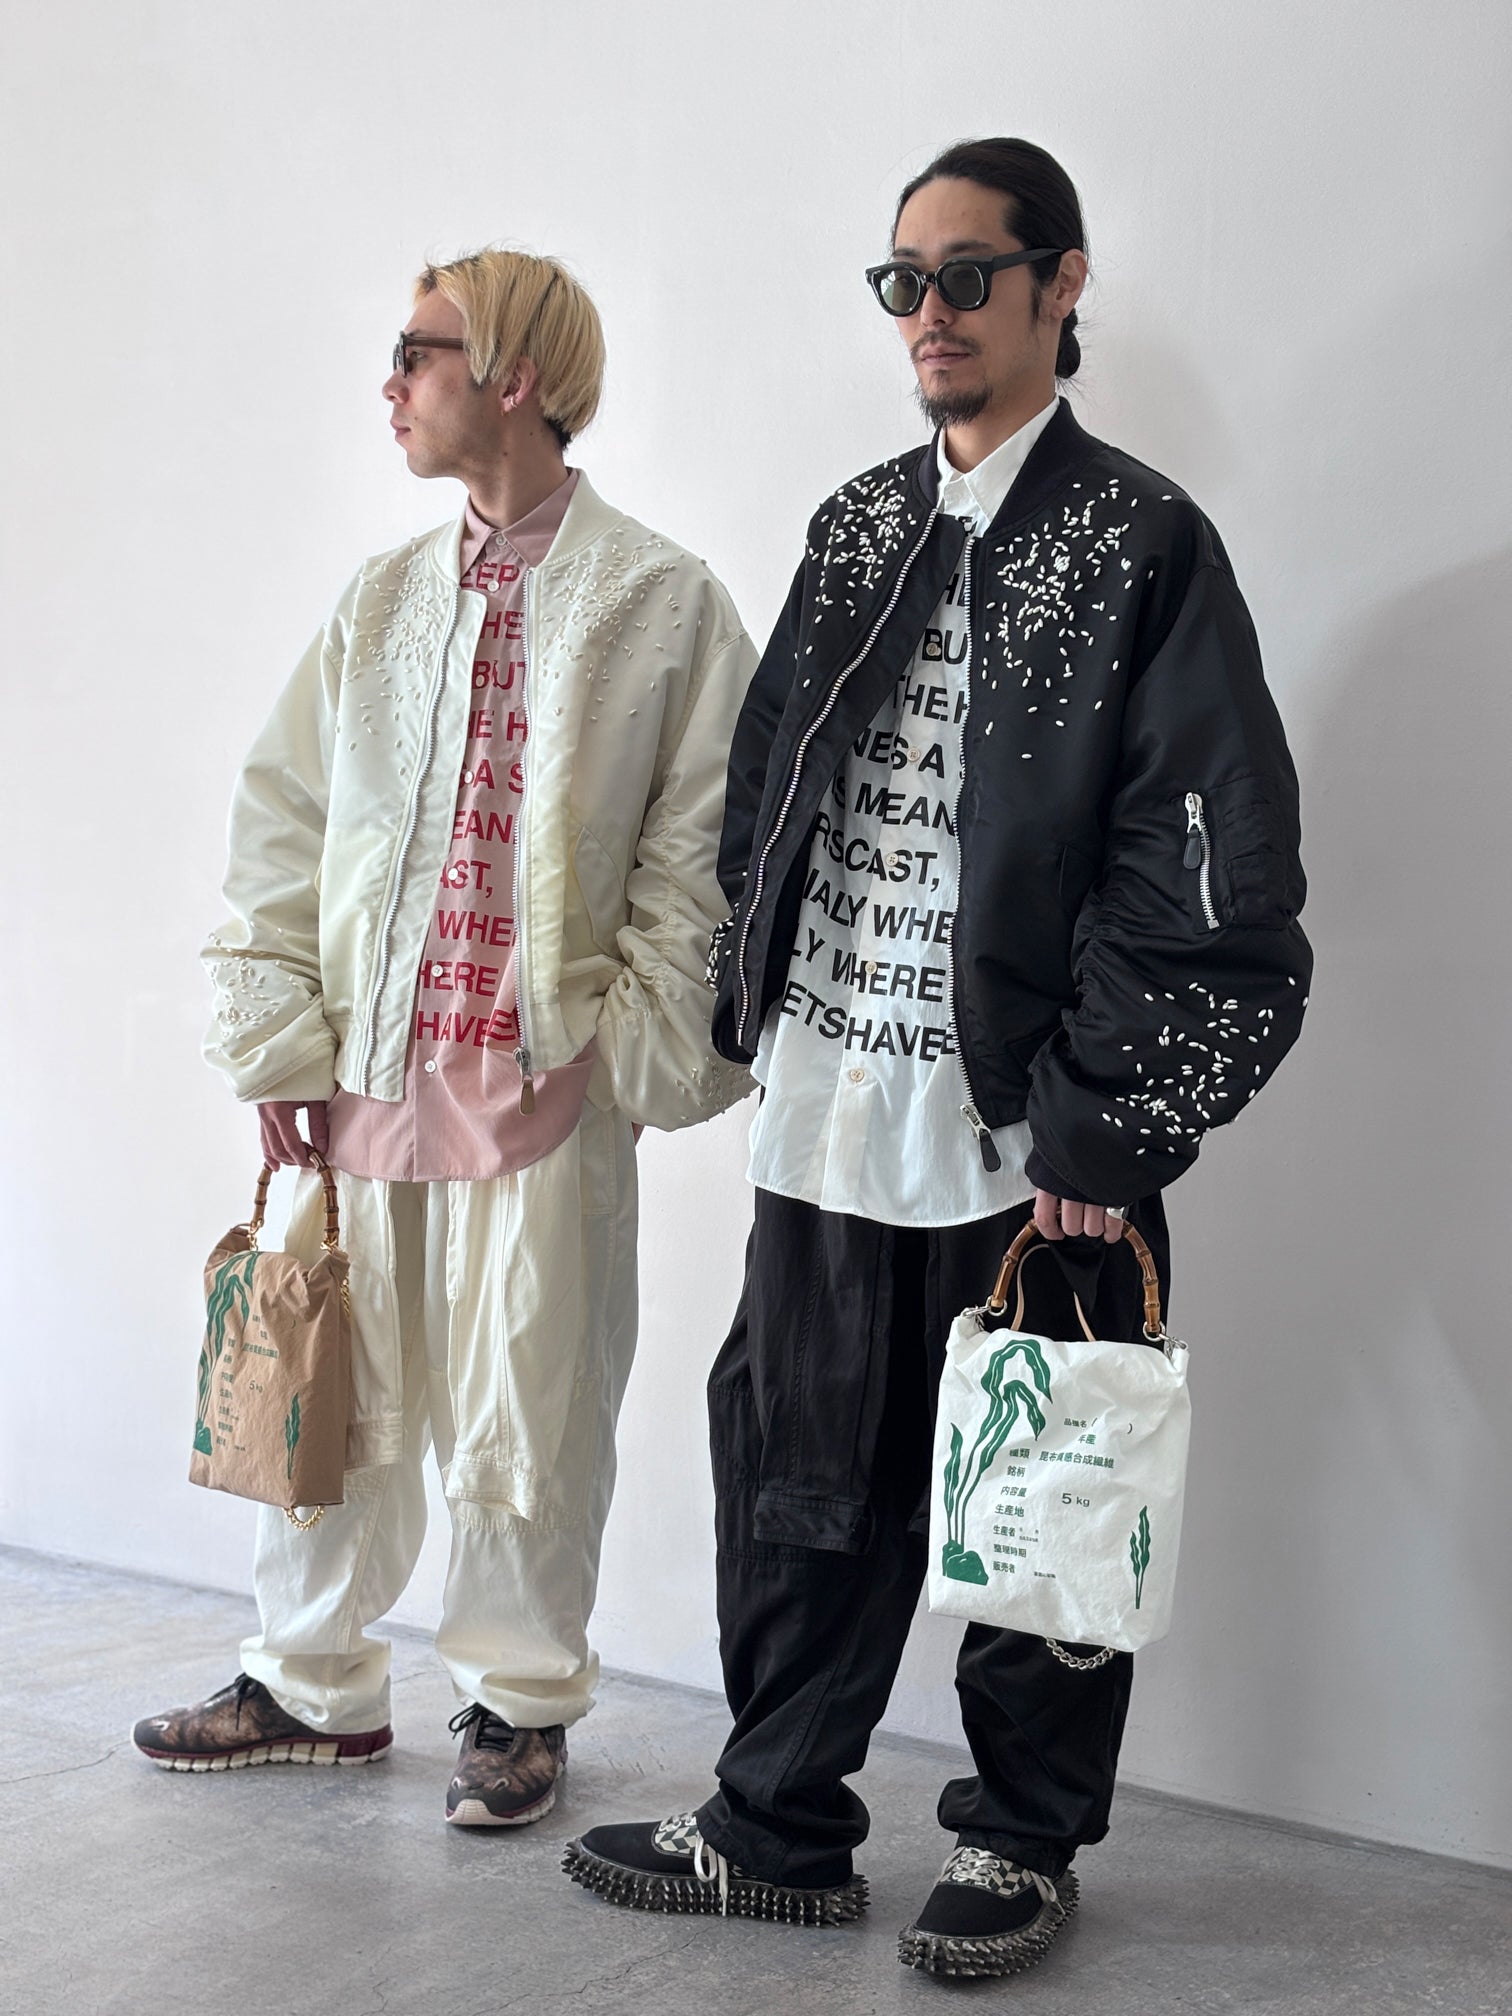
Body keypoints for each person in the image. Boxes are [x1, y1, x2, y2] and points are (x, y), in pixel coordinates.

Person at [565, 139, 1311, 1976]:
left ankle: (1023, 1844)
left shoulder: (1141, 542)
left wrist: (1106, 1123)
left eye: (971, 275)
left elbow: (1202, 854)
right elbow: (761, 788)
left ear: (1063, 287)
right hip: (834, 1108)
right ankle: (776, 1819)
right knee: (795, 1475)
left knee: (1042, 1492)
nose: (932, 314)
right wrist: (754, 1002)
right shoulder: (858, 526)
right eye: (905, 281)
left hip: (1025, 1142)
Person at [133, 248, 756, 1827]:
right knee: (322, 1377)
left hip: (541, 1086)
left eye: (420, 350)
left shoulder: (664, 600)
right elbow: (283, 819)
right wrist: (278, 1038)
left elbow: (709, 849)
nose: (392, 381)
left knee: (532, 1403)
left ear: (515, 377)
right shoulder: (383, 598)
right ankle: (308, 1683)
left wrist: (620, 1046)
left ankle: (518, 1701)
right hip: (367, 1077)